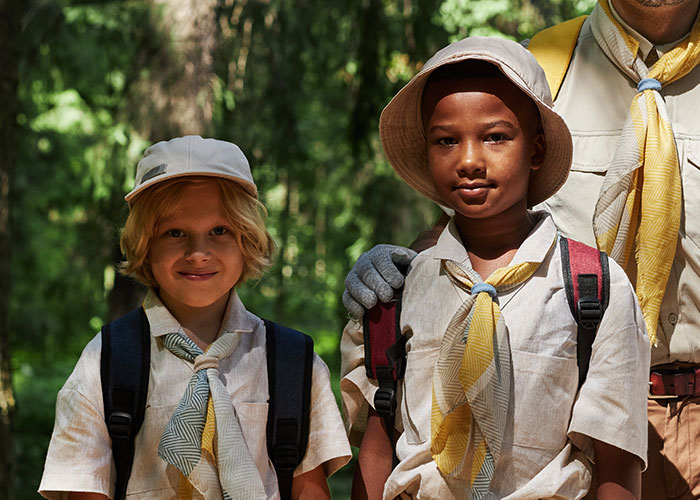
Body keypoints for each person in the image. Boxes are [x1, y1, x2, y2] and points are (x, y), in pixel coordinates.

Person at [343, 2, 700, 498]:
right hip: (580, 408)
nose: (470, 158)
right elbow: (479, 217)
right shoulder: (540, 64)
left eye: (493, 138)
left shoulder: (601, 288)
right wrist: (401, 277)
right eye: (446, 141)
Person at [38, 136, 351, 499]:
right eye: (174, 233)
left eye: (219, 231)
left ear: (246, 239)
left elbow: (308, 490)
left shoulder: (293, 362)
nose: (198, 253)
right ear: (144, 244)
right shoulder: (105, 361)